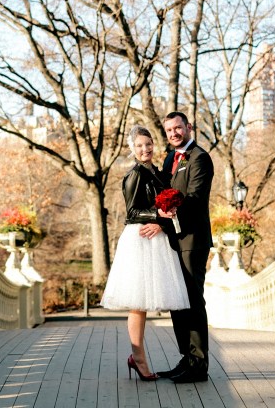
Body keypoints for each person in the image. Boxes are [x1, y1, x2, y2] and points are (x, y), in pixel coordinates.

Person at [101, 125, 190, 381]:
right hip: (140, 240)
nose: (145, 149)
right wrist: (158, 214)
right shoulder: (135, 175)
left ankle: (138, 357)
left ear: (154, 145)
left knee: (149, 302)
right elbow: (130, 214)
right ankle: (138, 358)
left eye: (148, 144)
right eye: (139, 145)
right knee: (139, 304)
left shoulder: (159, 173)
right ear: (132, 149)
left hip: (157, 237)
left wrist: (163, 217)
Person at [156, 111, 214, 384]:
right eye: (169, 130)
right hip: (172, 241)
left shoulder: (200, 158)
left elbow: (195, 197)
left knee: (192, 300)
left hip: (192, 240)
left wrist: (170, 209)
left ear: (188, 127)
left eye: (178, 128)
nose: (174, 133)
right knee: (177, 302)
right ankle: (186, 358)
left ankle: (199, 364)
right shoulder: (169, 158)